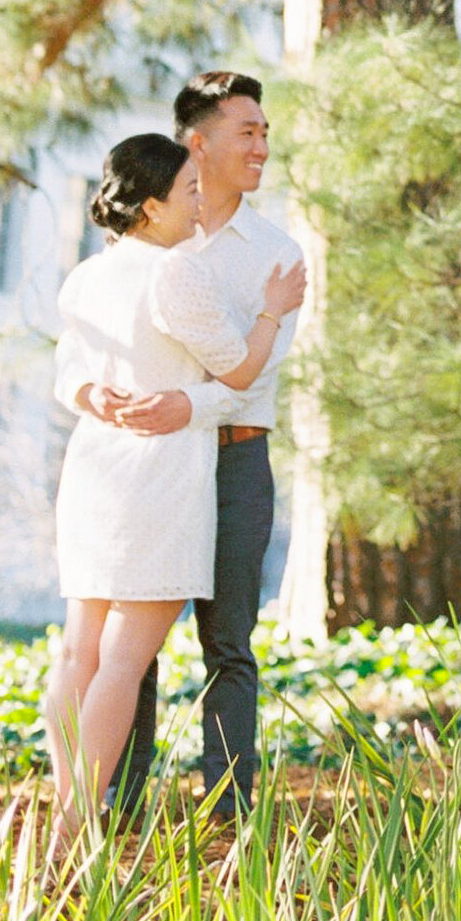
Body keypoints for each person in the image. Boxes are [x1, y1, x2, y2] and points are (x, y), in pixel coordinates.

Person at [44, 130, 305, 848]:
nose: (200, 202)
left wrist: (93, 394)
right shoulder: (173, 275)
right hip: (157, 478)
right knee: (124, 660)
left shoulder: (90, 275)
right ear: (153, 205)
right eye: (189, 191)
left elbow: (68, 374)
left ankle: (67, 807)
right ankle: (74, 826)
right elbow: (239, 371)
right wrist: (273, 309)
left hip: (95, 467)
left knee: (78, 652)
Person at [107, 68, 305, 818]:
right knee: (138, 640)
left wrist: (180, 405)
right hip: (153, 464)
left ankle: (228, 809)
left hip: (235, 461)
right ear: (199, 142)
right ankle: (122, 803)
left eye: (263, 132)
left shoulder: (276, 252)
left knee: (229, 642)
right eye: (246, 132)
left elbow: (255, 381)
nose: (260, 146)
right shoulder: (145, 245)